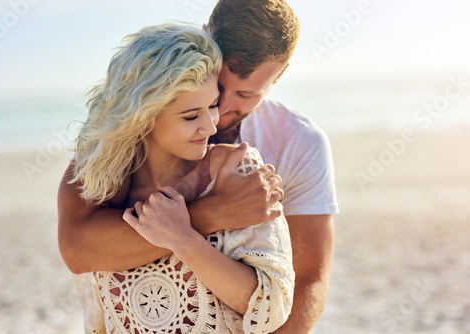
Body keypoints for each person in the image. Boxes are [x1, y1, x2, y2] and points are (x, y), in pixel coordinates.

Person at [58, 0, 339, 332]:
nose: (223, 108)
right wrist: (213, 214)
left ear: (280, 75)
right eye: (218, 86)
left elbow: (307, 279)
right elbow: (78, 245)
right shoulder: (132, 135)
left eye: (247, 95)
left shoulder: (298, 143)